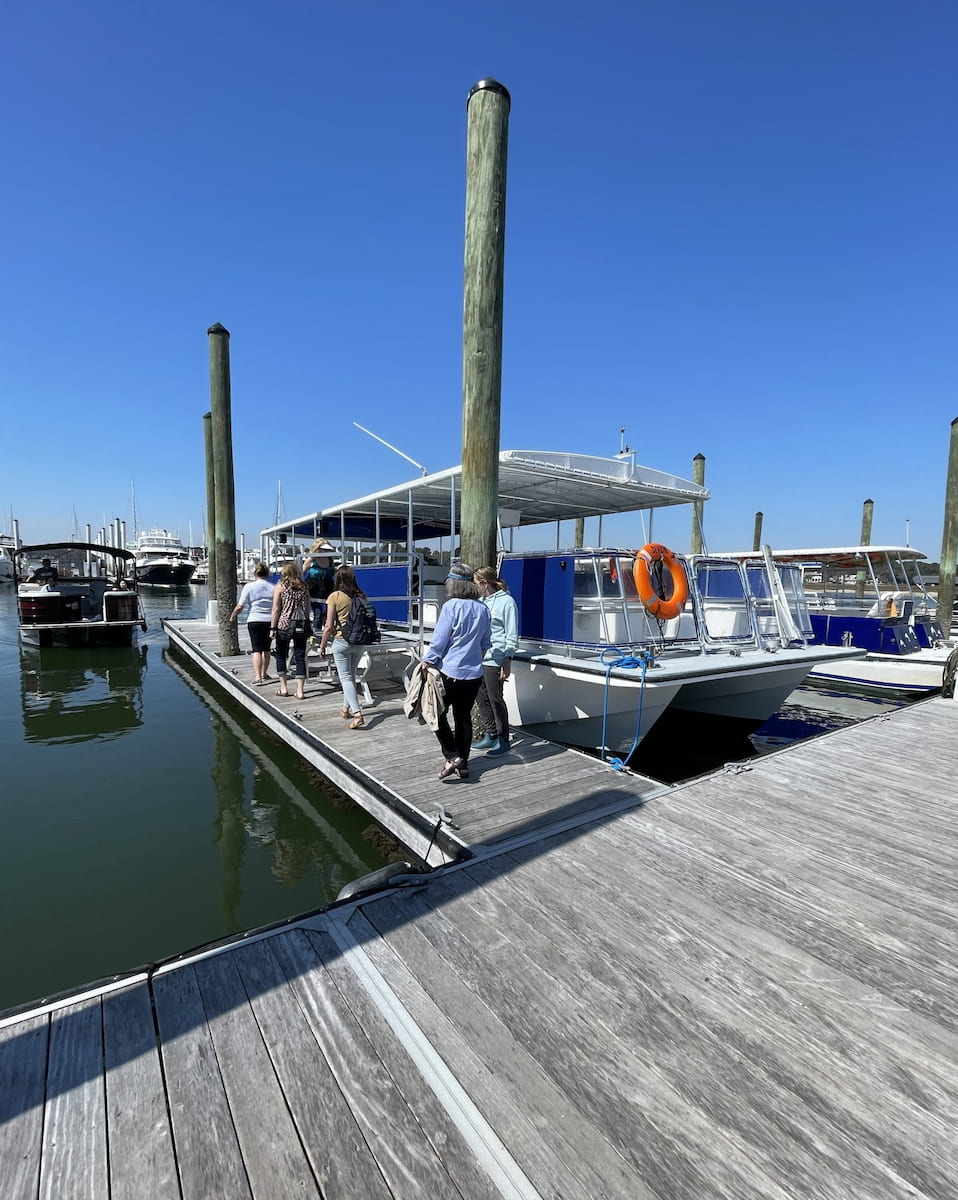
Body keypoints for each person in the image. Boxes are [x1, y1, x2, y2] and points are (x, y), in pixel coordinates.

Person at [421, 561, 491, 780]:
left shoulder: (451, 607)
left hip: (449, 672)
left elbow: (440, 641)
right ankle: (463, 764)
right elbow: (485, 642)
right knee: (463, 719)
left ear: (454, 585)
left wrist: (427, 661)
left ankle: (452, 755)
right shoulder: (483, 608)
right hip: (474, 674)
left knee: (434, 713)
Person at [472, 567, 519, 756]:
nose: (475, 587)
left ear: (484, 583)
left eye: (476, 583)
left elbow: (511, 632)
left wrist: (507, 659)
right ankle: (490, 733)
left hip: (496, 657)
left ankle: (503, 738)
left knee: (495, 698)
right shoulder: (481, 601)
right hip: (479, 656)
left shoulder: (507, 602)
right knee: (480, 696)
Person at [319, 564, 368, 729]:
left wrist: (322, 646)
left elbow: (328, 625)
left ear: (338, 579)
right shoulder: (361, 596)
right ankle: (345, 708)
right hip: (359, 642)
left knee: (345, 678)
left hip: (341, 641)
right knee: (351, 677)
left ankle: (357, 713)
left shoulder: (335, 596)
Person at [270, 561, 311, 700]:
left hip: (284, 623)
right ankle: (300, 691)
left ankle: (284, 688)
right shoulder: (304, 587)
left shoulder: (280, 587)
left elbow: (276, 609)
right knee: (300, 655)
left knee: (281, 654)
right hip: (301, 622)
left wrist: (272, 627)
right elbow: (307, 607)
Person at [228, 562, 275, 684]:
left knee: (256, 649)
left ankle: (258, 677)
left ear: (255, 574)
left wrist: (232, 617)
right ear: (267, 573)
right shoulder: (273, 587)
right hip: (270, 620)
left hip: (254, 619)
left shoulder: (249, 586)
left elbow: (240, 606)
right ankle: (264, 674)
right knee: (266, 649)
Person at [302, 539, 338, 634]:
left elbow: (334, 573)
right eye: (324, 550)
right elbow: (302, 572)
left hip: (328, 587)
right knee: (317, 612)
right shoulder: (311, 559)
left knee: (330, 610)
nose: (326, 552)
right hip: (314, 588)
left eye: (327, 550)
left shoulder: (330, 560)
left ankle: (327, 628)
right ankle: (316, 633)